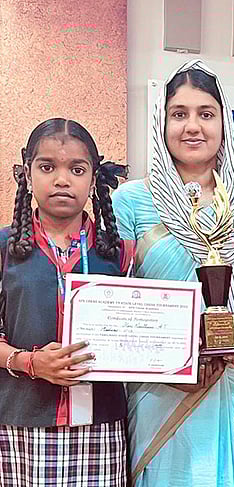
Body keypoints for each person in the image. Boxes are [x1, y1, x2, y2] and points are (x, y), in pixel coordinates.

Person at [112, 59, 234, 487]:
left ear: (224, 123)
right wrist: (170, 360)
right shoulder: (132, 201)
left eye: (206, 114)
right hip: (164, 387)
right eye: (179, 114)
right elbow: (119, 300)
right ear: (162, 124)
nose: (192, 127)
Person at [0, 118, 133, 486]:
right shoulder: (4, 248)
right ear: (27, 174)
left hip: (101, 426)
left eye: (77, 169)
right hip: (22, 425)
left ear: (93, 179)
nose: (62, 180)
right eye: (47, 167)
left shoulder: (119, 253)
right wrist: (28, 362)